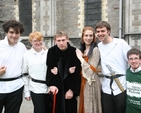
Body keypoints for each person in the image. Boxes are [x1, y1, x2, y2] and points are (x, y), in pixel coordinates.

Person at [95, 20, 131, 113]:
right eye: (98, 32)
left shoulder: (120, 43)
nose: (100, 34)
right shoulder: (98, 46)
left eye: (102, 31)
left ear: (108, 31)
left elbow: (131, 60)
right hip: (106, 85)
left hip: (121, 84)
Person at [46, 31, 81, 113]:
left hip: (69, 87)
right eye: (58, 41)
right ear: (55, 41)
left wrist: (72, 90)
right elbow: (50, 69)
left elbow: (77, 74)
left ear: (67, 40)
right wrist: (52, 85)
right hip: (57, 88)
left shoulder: (74, 52)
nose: (61, 43)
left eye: (63, 40)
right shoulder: (51, 51)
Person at [0, 20, 27, 113]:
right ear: (6, 32)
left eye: (17, 33)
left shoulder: (22, 47)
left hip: (16, 88)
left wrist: (44, 52)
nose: (14, 35)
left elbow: (29, 62)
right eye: (11, 32)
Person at [22, 31, 51, 113]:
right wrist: (26, 92)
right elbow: (24, 74)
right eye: (35, 41)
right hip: (36, 88)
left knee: (49, 110)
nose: (38, 43)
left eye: (40, 40)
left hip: (49, 88)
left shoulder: (48, 53)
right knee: (40, 110)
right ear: (31, 42)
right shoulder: (27, 55)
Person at [75, 26, 102, 113]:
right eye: (86, 35)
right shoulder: (82, 50)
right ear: (82, 37)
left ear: (94, 37)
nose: (88, 38)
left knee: (89, 108)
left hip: (91, 83)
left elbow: (91, 71)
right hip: (82, 82)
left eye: (91, 36)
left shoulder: (95, 50)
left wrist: (80, 58)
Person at [126, 48, 141, 113]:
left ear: (140, 60)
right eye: (131, 59)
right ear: (128, 61)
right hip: (129, 110)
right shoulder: (127, 72)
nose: (133, 61)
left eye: (136, 58)